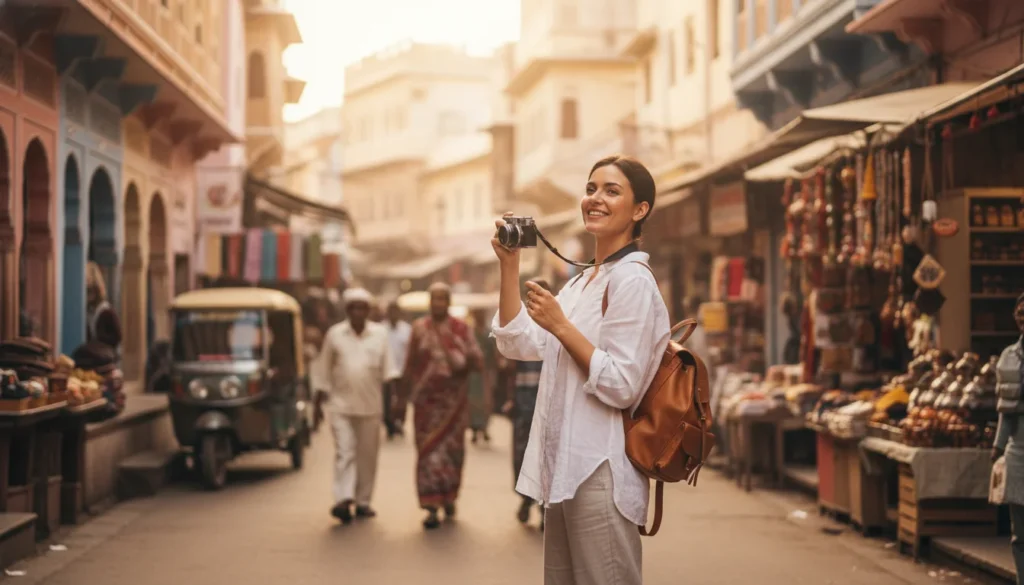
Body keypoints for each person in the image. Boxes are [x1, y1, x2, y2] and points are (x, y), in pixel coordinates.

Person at [491, 155, 669, 585]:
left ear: (640, 209)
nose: (595, 199)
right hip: (564, 469)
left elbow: (622, 384)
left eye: (612, 191)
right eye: (591, 189)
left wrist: (561, 326)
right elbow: (518, 342)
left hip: (601, 467)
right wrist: (509, 266)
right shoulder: (581, 283)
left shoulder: (632, 280)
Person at [312, 288, 401, 524]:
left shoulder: (380, 335)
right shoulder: (335, 335)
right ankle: (343, 499)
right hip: (340, 406)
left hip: (371, 407)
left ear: (368, 311)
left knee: (367, 456)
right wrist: (317, 405)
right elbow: (323, 371)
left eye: (363, 308)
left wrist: (394, 404)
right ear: (348, 310)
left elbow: (389, 373)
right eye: (354, 308)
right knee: (345, 451)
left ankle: (363, 501)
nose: (358, 312)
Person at [401, 282, 482, 529]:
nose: (438, 303)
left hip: (453, 405)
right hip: (426, 404)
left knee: (452, 452)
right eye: (434, 299)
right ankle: (430, 505)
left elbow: (477, 361)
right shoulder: (419, 328)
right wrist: (400, 399)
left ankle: (449, 496)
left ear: (448, 302)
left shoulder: (462, 329)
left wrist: (462, 361)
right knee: (427, 452)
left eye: (442, 299)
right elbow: (410, 364)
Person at [501, 279, 551, 530]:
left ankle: (544, 509)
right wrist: (509, 398)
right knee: (521, 453)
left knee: (546, 455)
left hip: (549, 402)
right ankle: (525, 499)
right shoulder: (520, 325)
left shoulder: (557, 323)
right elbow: (508, 368)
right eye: (529, 294)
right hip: (523, 402)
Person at [993, 292, 1024, 584]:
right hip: (1019, 452)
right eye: (1020, 312)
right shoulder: (1009, 357)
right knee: (1020, 532)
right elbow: (1006, 410)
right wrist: (998, 446)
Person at [383, 300, 412, 439]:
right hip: (386, 372)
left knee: (401, 400)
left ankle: (399, 422)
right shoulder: (380, 329)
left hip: (402, 371)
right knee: (387, 400)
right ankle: (389, 423)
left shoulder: (406, 330)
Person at [468, 309, 496, 444]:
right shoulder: (471, 333)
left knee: (486, 402)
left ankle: (484, 428)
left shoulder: (488, 333)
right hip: (473, 374)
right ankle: (474, 429)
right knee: (473, 402)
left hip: (486, 372)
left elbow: (494, 354)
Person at [86, 262, 121, 353]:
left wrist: (99, 342)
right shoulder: (88, 312)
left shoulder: (106, 312)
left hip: (104, 355)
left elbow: (117, 336)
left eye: (91, 291)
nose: (88, 297)